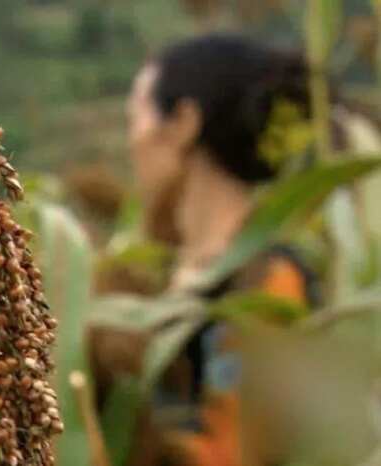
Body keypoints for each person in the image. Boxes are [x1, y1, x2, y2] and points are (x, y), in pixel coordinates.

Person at [90, 34, 332, 466]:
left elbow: (242, 450)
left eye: (135, 119)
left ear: (183, 123)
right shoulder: (157, 277)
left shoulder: (268, 283)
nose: (132, 144)